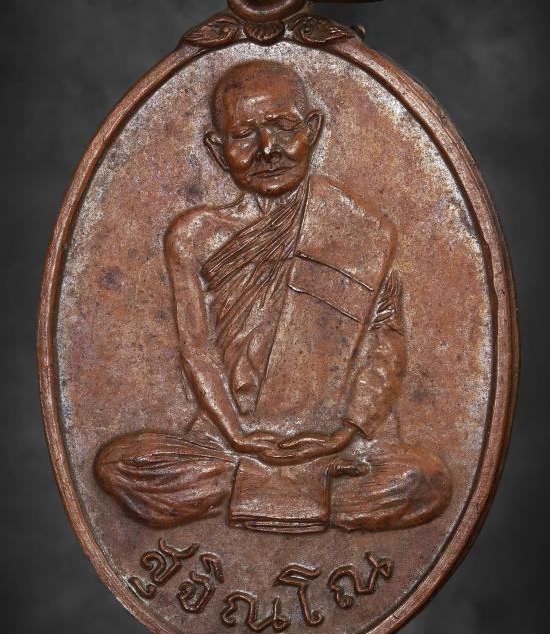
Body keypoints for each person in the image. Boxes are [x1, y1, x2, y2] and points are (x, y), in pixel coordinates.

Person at [95, 60, 451, 532]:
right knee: (118, 465)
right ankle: (290, 493)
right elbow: (197, 349)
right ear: (217, 150)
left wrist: (341, 434)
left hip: (331, 446)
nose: (267, 149)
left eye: (284, 126)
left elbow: (386, 344)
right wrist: (238, 435)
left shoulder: (362, 230)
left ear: (313, 129)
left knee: (425, 482)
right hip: (229, 441)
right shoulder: (195, 235)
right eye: (244, 134)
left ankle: (264, 491)